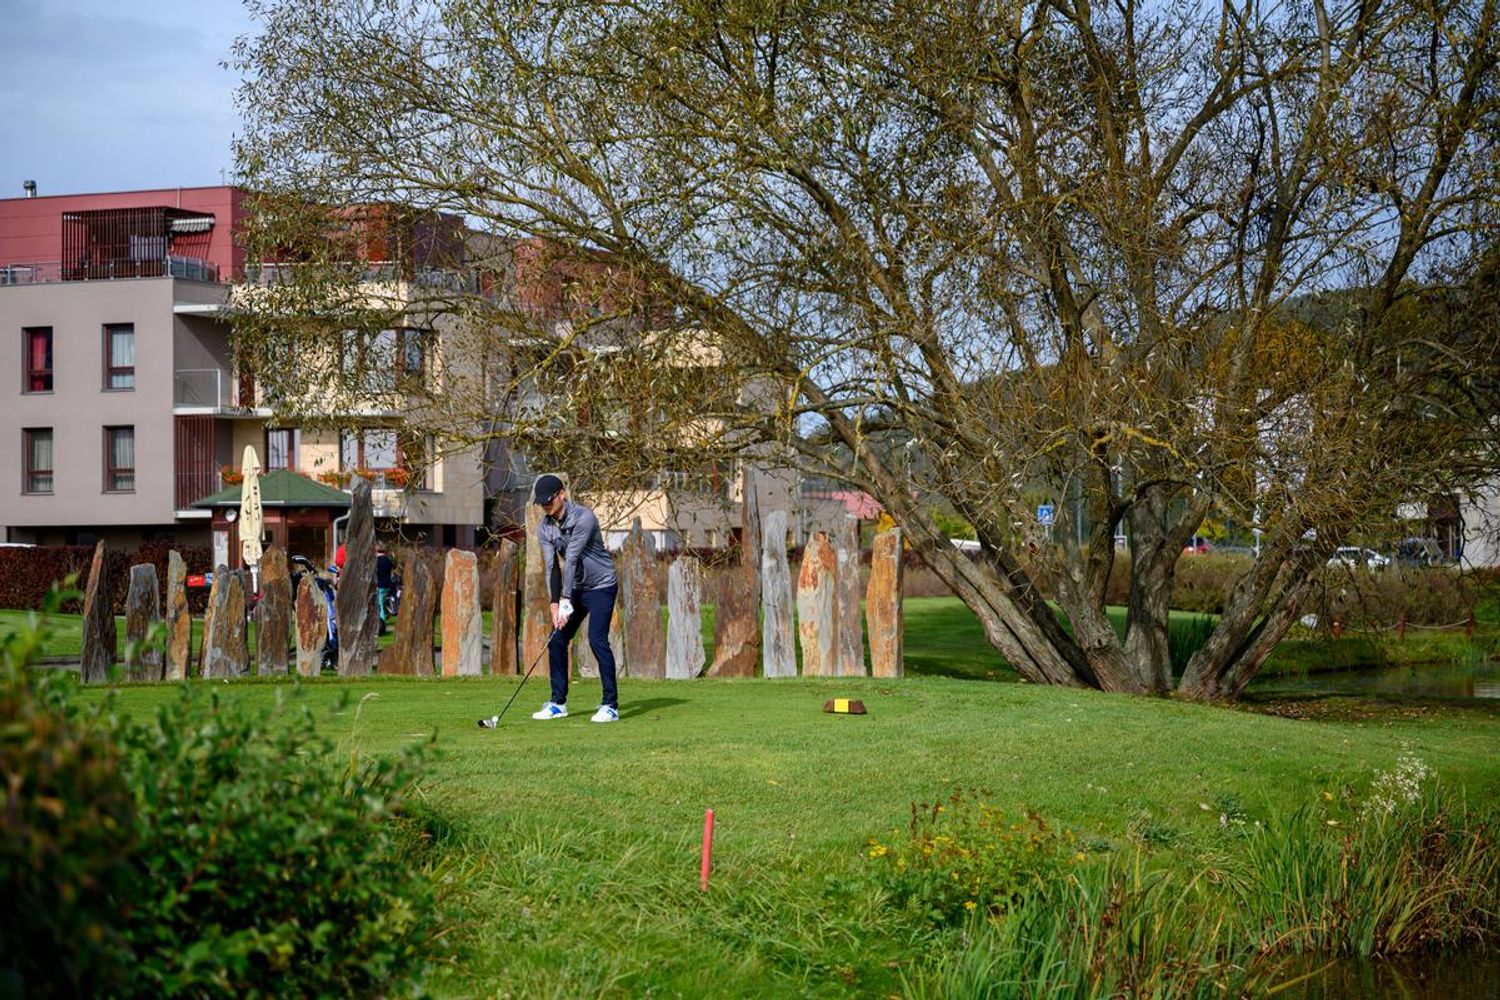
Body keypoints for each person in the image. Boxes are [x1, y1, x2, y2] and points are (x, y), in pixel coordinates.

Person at [528, 474, 621, 723]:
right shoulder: (545, 527)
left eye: (549, 500)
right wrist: (554, 605)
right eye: (542, 502)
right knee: (557, 640)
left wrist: (566, 599)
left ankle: (610, 706)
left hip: (601, 585)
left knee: (597, 640)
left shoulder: (584, 518)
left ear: (562, 494)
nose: (546, 505)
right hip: (576, 587)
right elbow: (552, 567)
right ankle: (558, 703)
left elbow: (571, 559)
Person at [375, 543, 398, 622]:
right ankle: (386, 613)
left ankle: (382, 620)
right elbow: (393, 568)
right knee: (382, 601)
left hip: (379, 585)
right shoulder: (388, 560)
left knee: (380, 603)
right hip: (388, 584)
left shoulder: (375, 562)